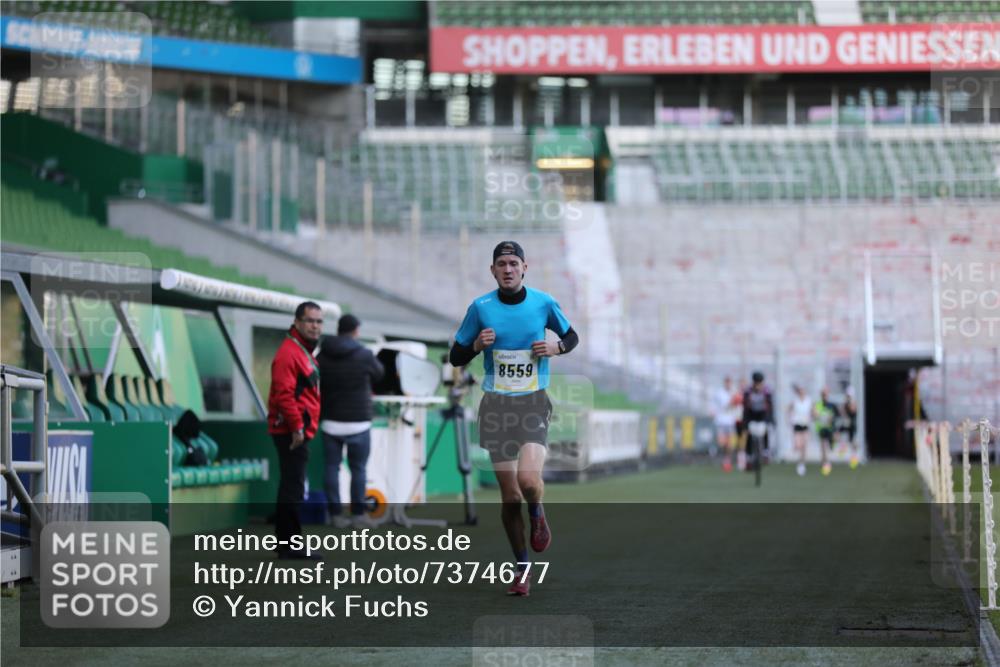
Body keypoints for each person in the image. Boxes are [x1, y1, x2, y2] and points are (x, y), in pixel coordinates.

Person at [449, 241, 578, 597]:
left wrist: (557, 347)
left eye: (514, 263)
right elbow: (455, 356)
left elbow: (571, 335)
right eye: (501, 264)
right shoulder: (481, 308)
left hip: (533, 402)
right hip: (496, 407)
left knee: (528, 481)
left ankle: (538, 512)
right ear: (493, 270)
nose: (508, 269)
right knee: (509, 497)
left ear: (525, 268)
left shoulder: (543, 303)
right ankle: (522, 567)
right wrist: (475, 346)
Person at [267, 301, 323, 560]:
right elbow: (284, 395)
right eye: (310, 321)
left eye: (319, 321)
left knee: (292, 486)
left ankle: (287, 543)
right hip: (290, 431)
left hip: (296, 429)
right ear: (297, 322)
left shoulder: (302, 350)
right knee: (293, 488)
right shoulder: (290, 353)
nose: (315, 326)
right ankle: (291, 545)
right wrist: (297, 428)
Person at [318, 313, 384, 529]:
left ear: (338, 329)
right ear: (356, 330)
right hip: (359, 421)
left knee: (331, 468)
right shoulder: (364, 354)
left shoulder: (322, 354)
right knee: (358, 469)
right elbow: (379, 374)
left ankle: (335, 515)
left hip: (330, 421)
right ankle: (358, 516)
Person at [741, 372, 774, 469]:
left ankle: (765, 452)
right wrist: (745, 423)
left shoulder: (766, 391)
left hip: (762, 416)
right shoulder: (748, 392)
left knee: (765, 432)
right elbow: (745, 409)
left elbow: (770, 407)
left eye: (760, 383)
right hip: (752, 416)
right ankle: (749, 457)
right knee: (750, 435)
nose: (758, 385)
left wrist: (770, 420)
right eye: (756, 383)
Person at [713, 377, 738, 472]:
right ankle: (724, 457)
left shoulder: (733, 392)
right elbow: (725, 405)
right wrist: (734, 401)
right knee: (722, 442)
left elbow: (736, 405)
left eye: (729, 382)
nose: (728, 384)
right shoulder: (720, 393)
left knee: (729, 443)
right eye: (727, 382)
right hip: (721, 421)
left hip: (730, 421)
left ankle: (727, 461)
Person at [788, 384, 812, 476]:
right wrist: (790, 419)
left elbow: (813, 411)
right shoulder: (795, 401)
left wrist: (814, 416)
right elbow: (789, 409)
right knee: (798, 445)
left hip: (805, 424)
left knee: (804, 445)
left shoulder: (808, 401)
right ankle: (800, 460)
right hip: (797, 424)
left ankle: (802, 463)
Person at [813, 388, 837, 476]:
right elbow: (815, 415)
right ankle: (825, 463)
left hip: (829, 428)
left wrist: (830, 419)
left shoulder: (831, 405)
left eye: (826, 394)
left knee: (830, 446)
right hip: (821, 428)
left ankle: (826, 461)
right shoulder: (818, 404)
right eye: (823, 394)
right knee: (823, 445)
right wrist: (818, 416)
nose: (825, 396)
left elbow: (833, 417)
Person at [837, 386, 860, 469]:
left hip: (852, 425)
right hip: (846, 423)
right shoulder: (845, 403)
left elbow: (853, 410)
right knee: (838, 433)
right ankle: (843, 447)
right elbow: (842, 412)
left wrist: (848, 405)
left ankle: (854, 457)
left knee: (852, 441)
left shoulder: (853, 403)